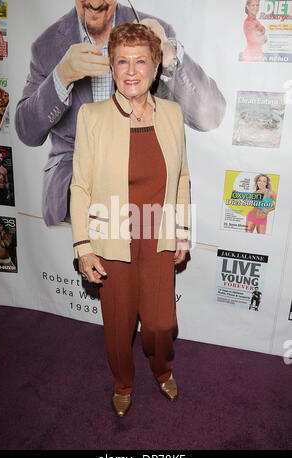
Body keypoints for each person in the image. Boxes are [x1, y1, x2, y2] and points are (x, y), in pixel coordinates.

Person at [15, 0, 226, 227]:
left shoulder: (154, 31)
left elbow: (210, 117)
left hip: (145, 198)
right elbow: (28, 132)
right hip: (74, 201)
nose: (95, 2)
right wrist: (62, 75)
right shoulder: (46, 46)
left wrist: (168, 51)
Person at [70, 22, 191, 417]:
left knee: (159, 325)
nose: (132, 70)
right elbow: (80, 186)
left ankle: (162, 368)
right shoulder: (92, 115)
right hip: (112, 237)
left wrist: (182, 233)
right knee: (119, 328)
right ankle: (123, 381)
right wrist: (83, 246)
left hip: (157, 236)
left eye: (141, 61)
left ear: (156, 67)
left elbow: (183, 177)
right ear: (111, 66)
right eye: (122, 61)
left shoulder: (172, 114)